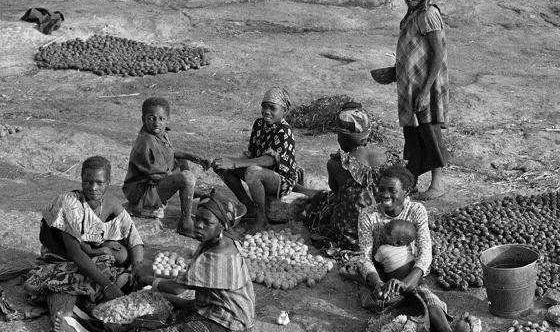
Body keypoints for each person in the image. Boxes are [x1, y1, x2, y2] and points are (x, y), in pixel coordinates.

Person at [52, 189, 255, 332]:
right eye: (197, 218)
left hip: (229, 326)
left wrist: (149, 279)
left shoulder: (218, 256)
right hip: (214, 309)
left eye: (206, 222)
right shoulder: (217, 243)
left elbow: (177, 288)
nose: (199, 225)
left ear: (222, 226)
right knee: (157, 317)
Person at [356, 167, 472, 332]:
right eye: (381, 189)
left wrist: (406, 283)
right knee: (397, 308)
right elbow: (365, 257)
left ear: (406, 192)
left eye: (392, 190)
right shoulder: (368, 215)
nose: (384, 194)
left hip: (410, 273)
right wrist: (377, 282)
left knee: (420, 295)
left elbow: (425, 254)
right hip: (381, 278)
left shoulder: (416, 210)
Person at [27, 156, 151, 314]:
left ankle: (102, 281)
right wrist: (108, 286)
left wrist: (137, 268)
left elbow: (134, 238)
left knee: (124, 255)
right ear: (81, 179)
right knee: (104, 283)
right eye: (88, 181)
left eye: (100, 182)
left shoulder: (111, 203)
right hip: (63, 257)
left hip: (90, 251)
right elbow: (76, 254)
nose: (93, 187)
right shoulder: (70, 203)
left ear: (108, 182)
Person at [300, 105, 394, 251]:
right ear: (368, 133)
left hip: (353, 238)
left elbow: (337, 194)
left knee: (323, 204)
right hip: (387, 231)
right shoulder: (387, 158)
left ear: (342, 137)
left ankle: (301, 189)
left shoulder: (336, 164)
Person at [393, 0, 450, 200]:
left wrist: (426, 91)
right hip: (410, 85)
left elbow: (438, 54)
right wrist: (393, 72)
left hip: (426, 86)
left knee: (430, 132)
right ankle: (411, 181)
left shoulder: (428, 15)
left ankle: (437, 185)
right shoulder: (413, 14)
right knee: (413, 135)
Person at [213, 87, 302, 229]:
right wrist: (230, 161)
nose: (267, 111)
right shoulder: (259, 124)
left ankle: (262, 218)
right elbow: (252, 152)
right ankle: (249, 207)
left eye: (272, 108)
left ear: (284, 111)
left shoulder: (284, 131)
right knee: (220, 164)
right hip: (260, 171)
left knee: (252, 172)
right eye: (264, 107)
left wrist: (236, 164)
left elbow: (269, 160)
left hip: (281, 179)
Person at [124, 96, 206, 236]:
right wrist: (187, 184)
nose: (157, 123)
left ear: (167, 119)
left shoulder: (159, 133)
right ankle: (185, 224)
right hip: (142, 193)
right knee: (186, 178)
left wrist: (191, 156)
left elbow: (170, 153)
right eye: (151, 118)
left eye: (161, 119)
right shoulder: (145, 143)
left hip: (153, 183)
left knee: (181, 160)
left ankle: (189, 191)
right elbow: (159, 174)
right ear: (143, 119)